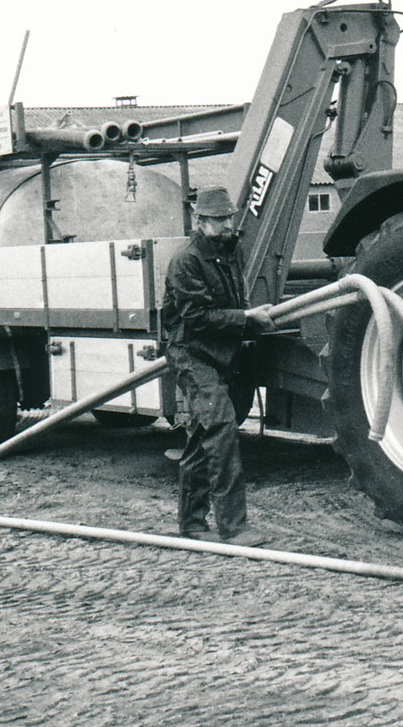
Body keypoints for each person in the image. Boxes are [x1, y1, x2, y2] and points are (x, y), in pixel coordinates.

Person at [161, 186, 275, 546]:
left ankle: (191, 523)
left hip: (220, 352)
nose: (228, 224)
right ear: (201, 221)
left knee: (202, 437)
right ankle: (234, 527)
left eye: (229, 217)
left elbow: (235, 298)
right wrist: (246, 319)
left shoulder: (231, 249)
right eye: (219, 219)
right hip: (191, 353)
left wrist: (247, 319)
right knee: (222, 428)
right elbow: (196, 318)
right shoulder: (187, 260)